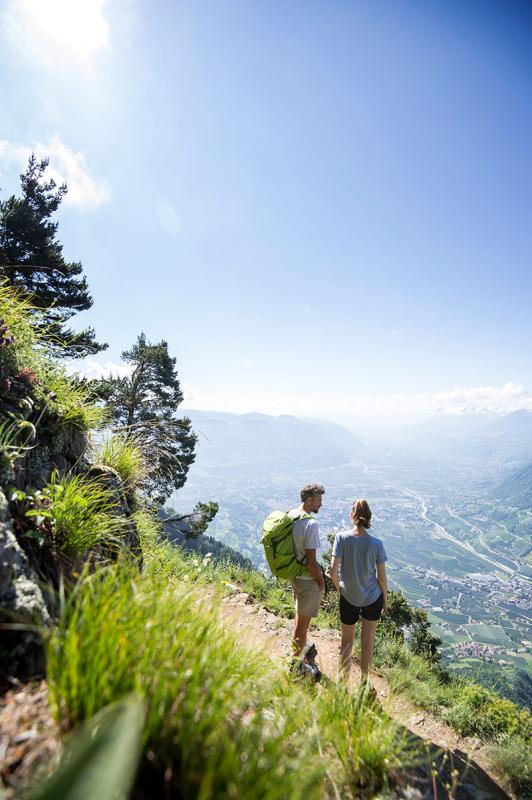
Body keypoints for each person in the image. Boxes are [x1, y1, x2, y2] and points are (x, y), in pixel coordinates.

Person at [329, 499, 387, 684]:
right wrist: (385, 599)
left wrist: (340, 588)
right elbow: (382, 577)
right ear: (369, 517)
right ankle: (364, 683)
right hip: (373, 597)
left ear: (352, 515)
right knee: (367, 643)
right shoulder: (377, 544)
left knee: (346, 642)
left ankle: (342, 683)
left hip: (348, 597)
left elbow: (332, 571)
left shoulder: (341, 538)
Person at [289, 483, 326, 663]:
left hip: (294, 575)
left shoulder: (291, 516)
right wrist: (320, 581)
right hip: (307, 579)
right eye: (319, 500)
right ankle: (295, 663)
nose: (321, 504)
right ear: (309, 500)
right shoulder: (310, 524)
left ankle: (299, 653)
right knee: (303, 625)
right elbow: (311, 562)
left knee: (300, 617)